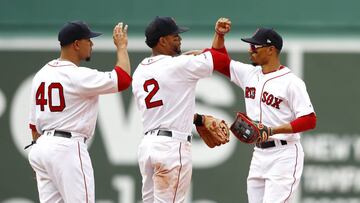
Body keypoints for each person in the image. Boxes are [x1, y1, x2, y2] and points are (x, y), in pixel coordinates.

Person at [212, 18, 317, 202]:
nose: (250, 50)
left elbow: (309, 120)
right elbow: (219, 61)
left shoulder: (291, 82)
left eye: (255, 46)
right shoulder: (249, 74)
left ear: (271, 49)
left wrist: (271, 130)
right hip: (259, 154)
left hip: (284, 154)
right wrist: (219, 35)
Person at [27, 20, 132, 203]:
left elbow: (33, 126)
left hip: (42, 149)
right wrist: (121, 47)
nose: (92, 44)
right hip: (67, 149)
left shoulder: (42, 74)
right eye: (88, 40)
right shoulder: (77, 76)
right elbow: (122, 79)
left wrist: (45, 160)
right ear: (76, 44)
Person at [132, 16, 230, 203]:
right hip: (172, 148)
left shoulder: (140, 71)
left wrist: (197, 119)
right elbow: (221, 59)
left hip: (148, 147)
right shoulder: (179, 65)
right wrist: (218, 36)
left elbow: (164, 107)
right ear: (162, 40)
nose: (179, 39)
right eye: (175, 36)